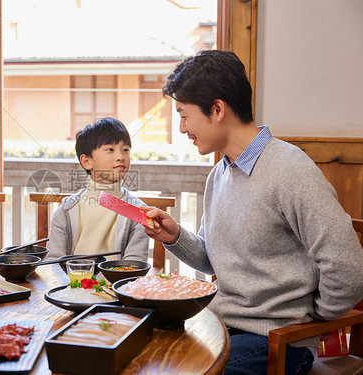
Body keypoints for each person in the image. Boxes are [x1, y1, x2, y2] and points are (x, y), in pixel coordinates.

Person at [143, 50, 363, 375]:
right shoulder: (219, 175)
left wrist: (312, 319)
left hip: (275, 342)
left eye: (185, 115)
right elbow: (212, 258)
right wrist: (175, 236)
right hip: (221, 325)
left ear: (217, 109)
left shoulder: (290, 170)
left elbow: (349, 268)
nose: (181, 127)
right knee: (147, 357)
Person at [46, 117, 149, 262]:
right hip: (70, 283)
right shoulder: (67, 209)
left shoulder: (138, 211)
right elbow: (53, 261)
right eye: (110, 149)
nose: (121, 156)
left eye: (125, 149)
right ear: (87, 161)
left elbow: (134, 265)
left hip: (118, 284)